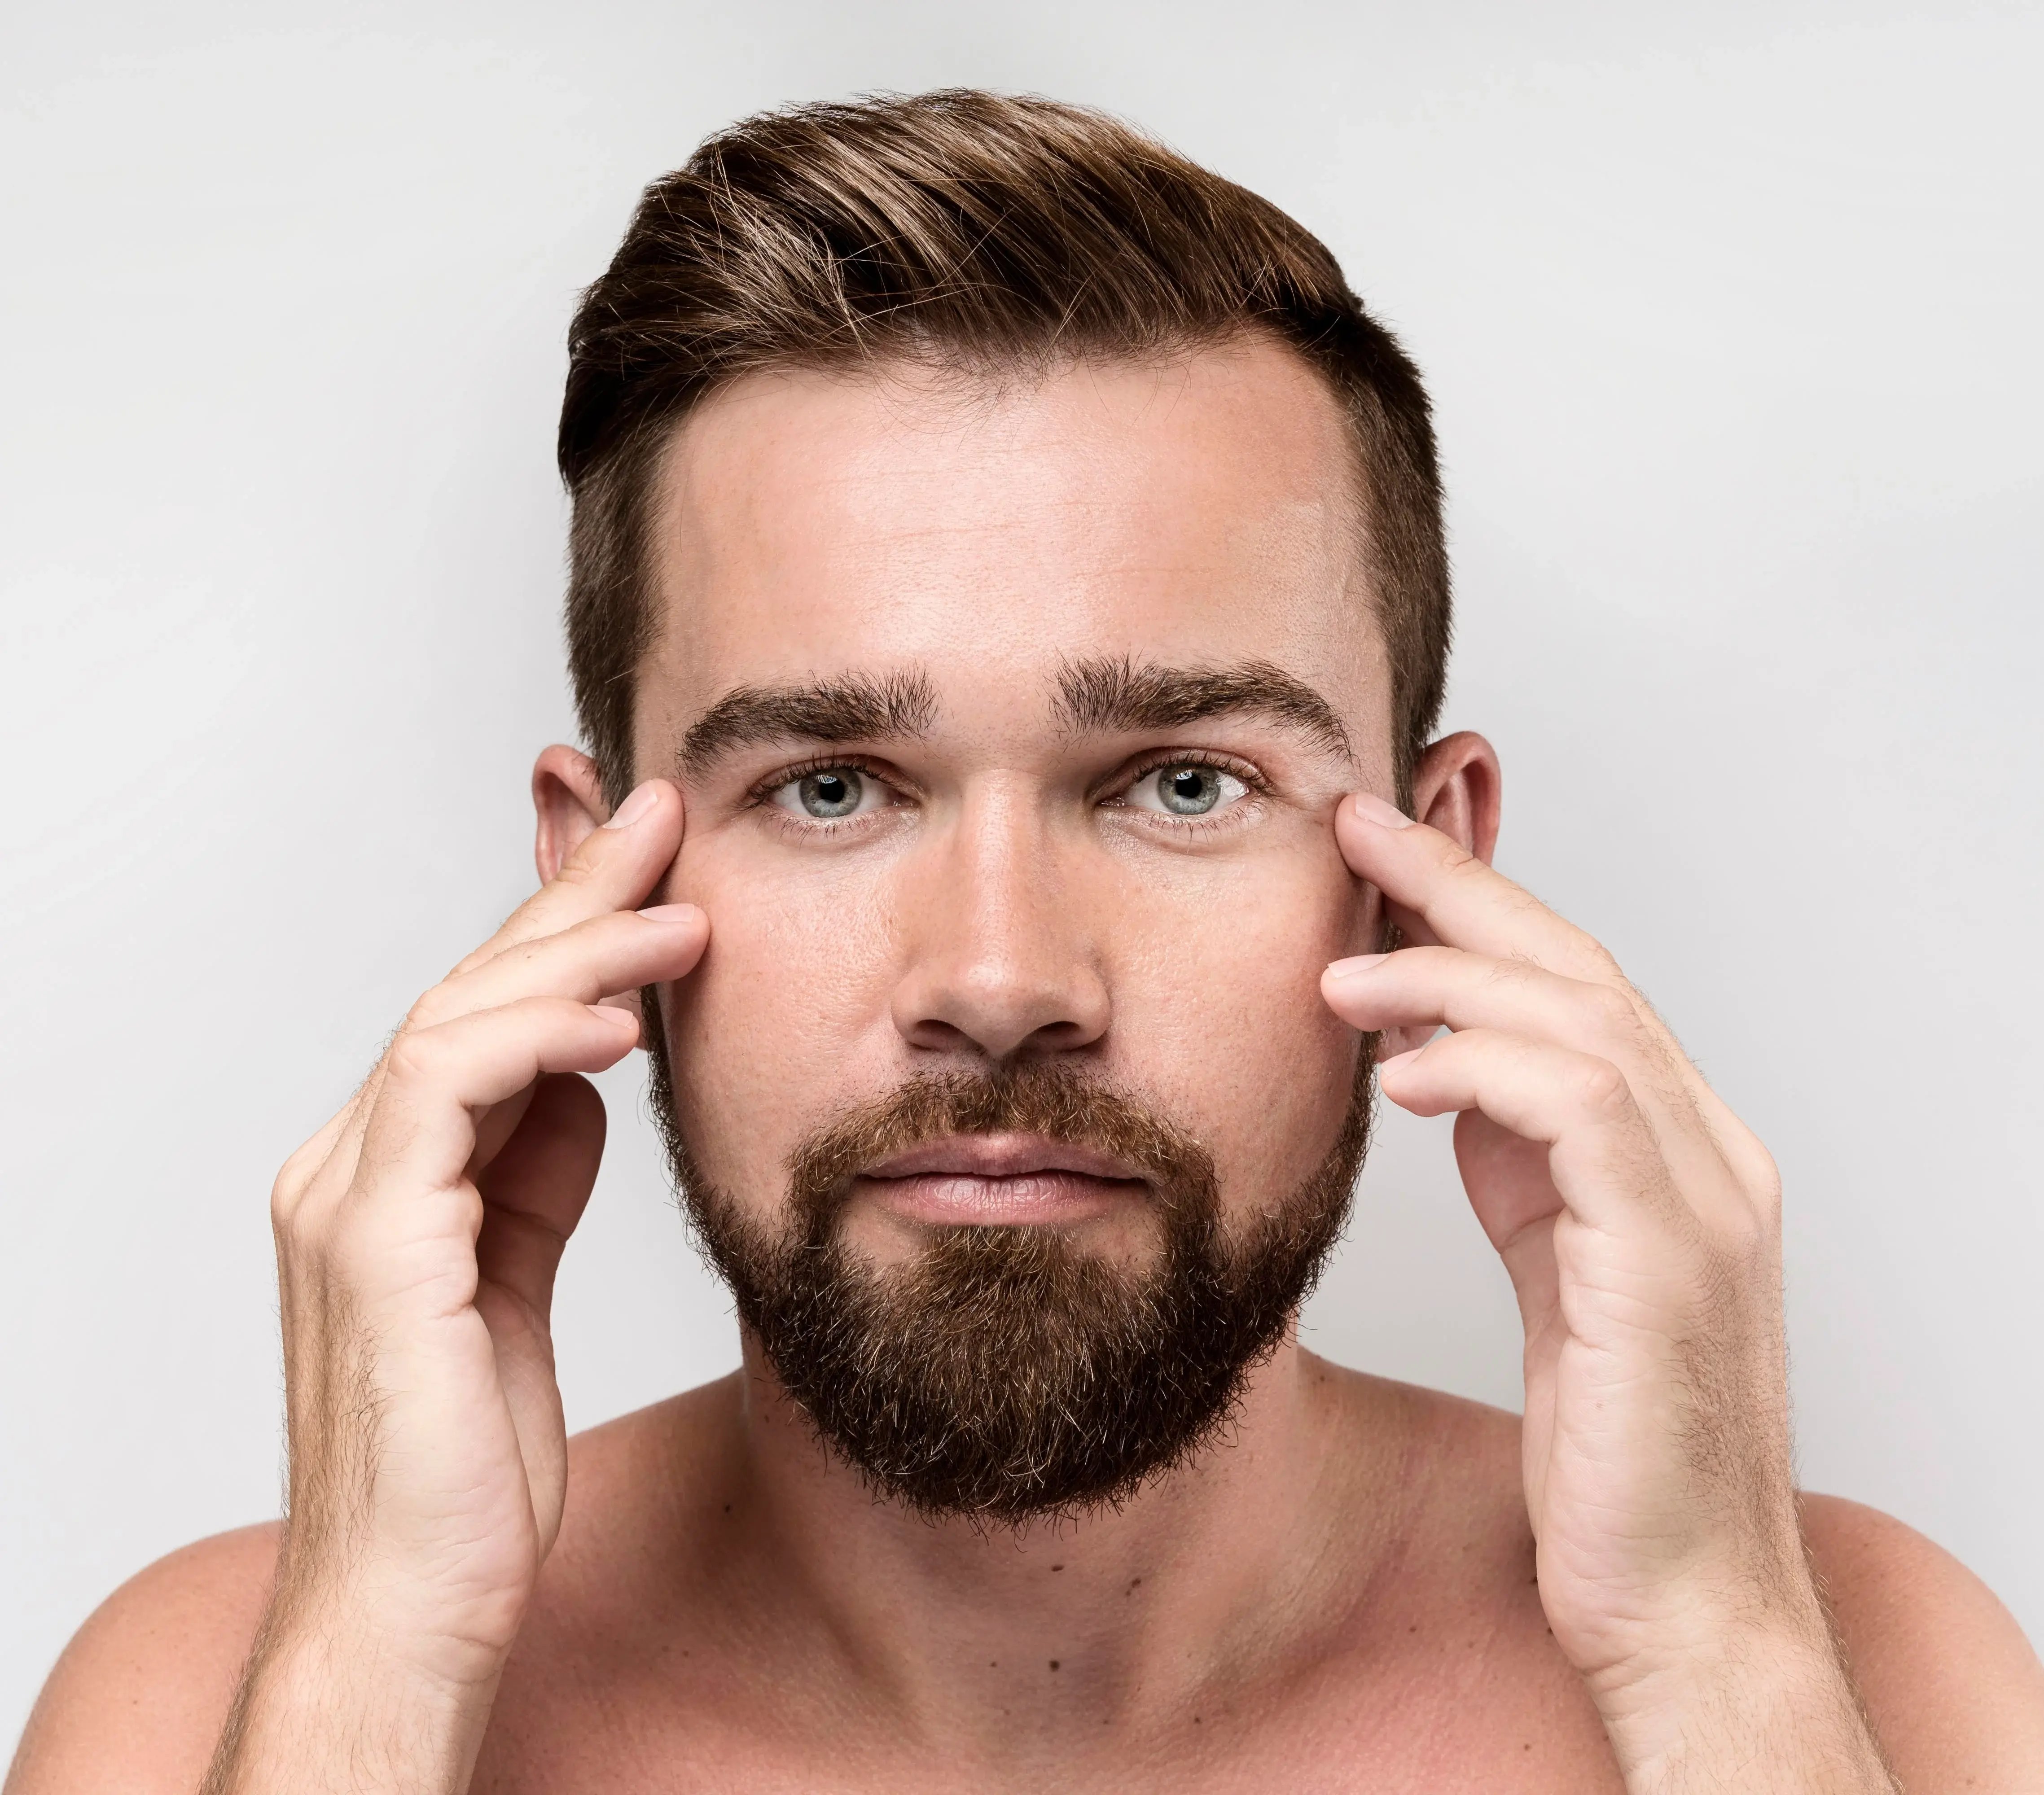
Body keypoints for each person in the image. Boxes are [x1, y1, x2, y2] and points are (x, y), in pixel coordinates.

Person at [9, 89, 2040, 1795]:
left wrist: (1716, 1655)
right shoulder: (218, 1705)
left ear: (1429, 872)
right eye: (828, 785)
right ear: (592, 895)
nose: (998, 978)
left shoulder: (1866, 1677)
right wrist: (378, 1663)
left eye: (1174, 781)